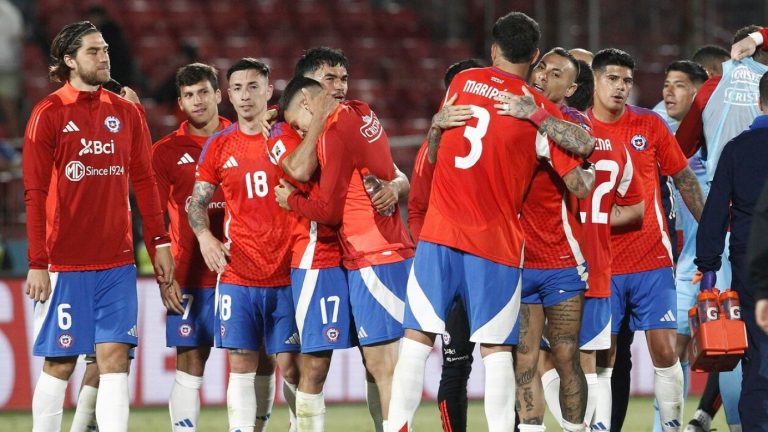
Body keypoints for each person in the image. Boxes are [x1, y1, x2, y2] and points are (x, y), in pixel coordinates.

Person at [386, 12, 594, 432]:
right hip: (494, 243)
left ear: (494, 48)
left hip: (440, 235)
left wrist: (433, 126)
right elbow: (582, 165)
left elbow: (438, 147)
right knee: (497, 351)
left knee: (416, 343)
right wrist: (537, 117)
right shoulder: (537, 109)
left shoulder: (462, 83)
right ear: (534, 57)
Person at [23, 21, 174, 431]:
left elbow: (144, 180)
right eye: (93, 51)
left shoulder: (127, 112)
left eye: (105, 49)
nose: (104, 56)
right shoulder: (48, 114)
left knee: (114, 361)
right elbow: (34, 193)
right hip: (65, 262)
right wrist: (38, 261)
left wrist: (160, 242)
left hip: (117, 262)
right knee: (60, 362)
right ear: (69, 60)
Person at [274, 73, 415, 430]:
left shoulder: (333, 133)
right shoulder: (362, 111)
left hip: (372, 255)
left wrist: (290, 200)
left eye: (297, 124)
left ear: (308, 103)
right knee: (386, 369)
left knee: (384, 370)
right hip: (390, 247)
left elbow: (329, 211)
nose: (301, 132)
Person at [586, 48, 705, 432]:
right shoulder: (578, 127)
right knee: (606, 356)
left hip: (652, 258)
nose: (620, 88)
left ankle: (671, 427)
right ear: (595, 80)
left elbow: (684, 178)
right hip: (602, 263)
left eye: (626, 81)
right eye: (612, 79)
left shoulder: (649, 125)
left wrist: (712, 228)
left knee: (666, 351)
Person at [187, 58, 300, 432]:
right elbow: (197, 201)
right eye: (237, 88)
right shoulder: (219, 146)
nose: (245, 95)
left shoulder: (289, 138)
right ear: (228, 96)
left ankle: (298, 425)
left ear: (269, 91)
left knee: (294, 366)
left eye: (254, 86)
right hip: (239, 273)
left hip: (290, 271)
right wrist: (205, 236)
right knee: (241, 363)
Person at [270, 76, 358, 431]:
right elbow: (301, 170)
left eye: (342, 78)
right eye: (329, 78)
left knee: (376, 358)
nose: (338, 87)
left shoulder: (349, 121)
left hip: (355, 253)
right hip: (315, 256)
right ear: (310, 97)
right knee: (315, 363)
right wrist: (317, 119)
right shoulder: (280, 134)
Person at [408, 57, 485, 432]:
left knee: (512, 359)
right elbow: (417, 209)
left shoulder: (496, 140)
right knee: (456, 363)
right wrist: (434, 262)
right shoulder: (431, 148)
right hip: (450, 264)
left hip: (494, 261)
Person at [695, 71, 768, 432]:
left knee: (756, 357)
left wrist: (708, 270)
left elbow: (714, 214)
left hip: (752, 266)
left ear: (759, 101)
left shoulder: (737, 149)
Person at [0, 0, 22, 137]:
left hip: (8, 67)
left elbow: (19, 37)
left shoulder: (10, 12)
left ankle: (18, 144)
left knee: (9, 107)